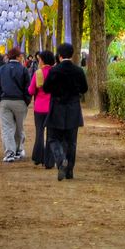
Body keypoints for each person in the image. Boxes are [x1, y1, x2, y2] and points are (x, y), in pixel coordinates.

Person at [43, 41, 88, 181]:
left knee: (53, 138)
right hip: (73, 109)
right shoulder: (78, 70)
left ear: (60, 56)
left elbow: (46, 88)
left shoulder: (54, 71)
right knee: (71, 141)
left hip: (57, 108)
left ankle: (60, 159)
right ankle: (69, 172)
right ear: (72, 55)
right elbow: (84, 88)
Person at [0, 46, 31, 162]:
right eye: (21, 55)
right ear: (18, 57)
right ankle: (19, 150)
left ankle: (10, 152)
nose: (22, 57)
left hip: (5, 101)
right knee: (19, 127)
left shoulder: (2, 69)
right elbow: (27, 88)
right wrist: (26, 100)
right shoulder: (24, 70)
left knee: (7, 128)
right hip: (20, 101)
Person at [28, 49, 55, 168]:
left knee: (39, 132)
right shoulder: (55, 73)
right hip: (52, 107)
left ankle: (38, 157)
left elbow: (31, 90)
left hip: (39, 107)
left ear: (42, 60)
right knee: (51, 134)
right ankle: (49, 161)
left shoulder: (38, 73)